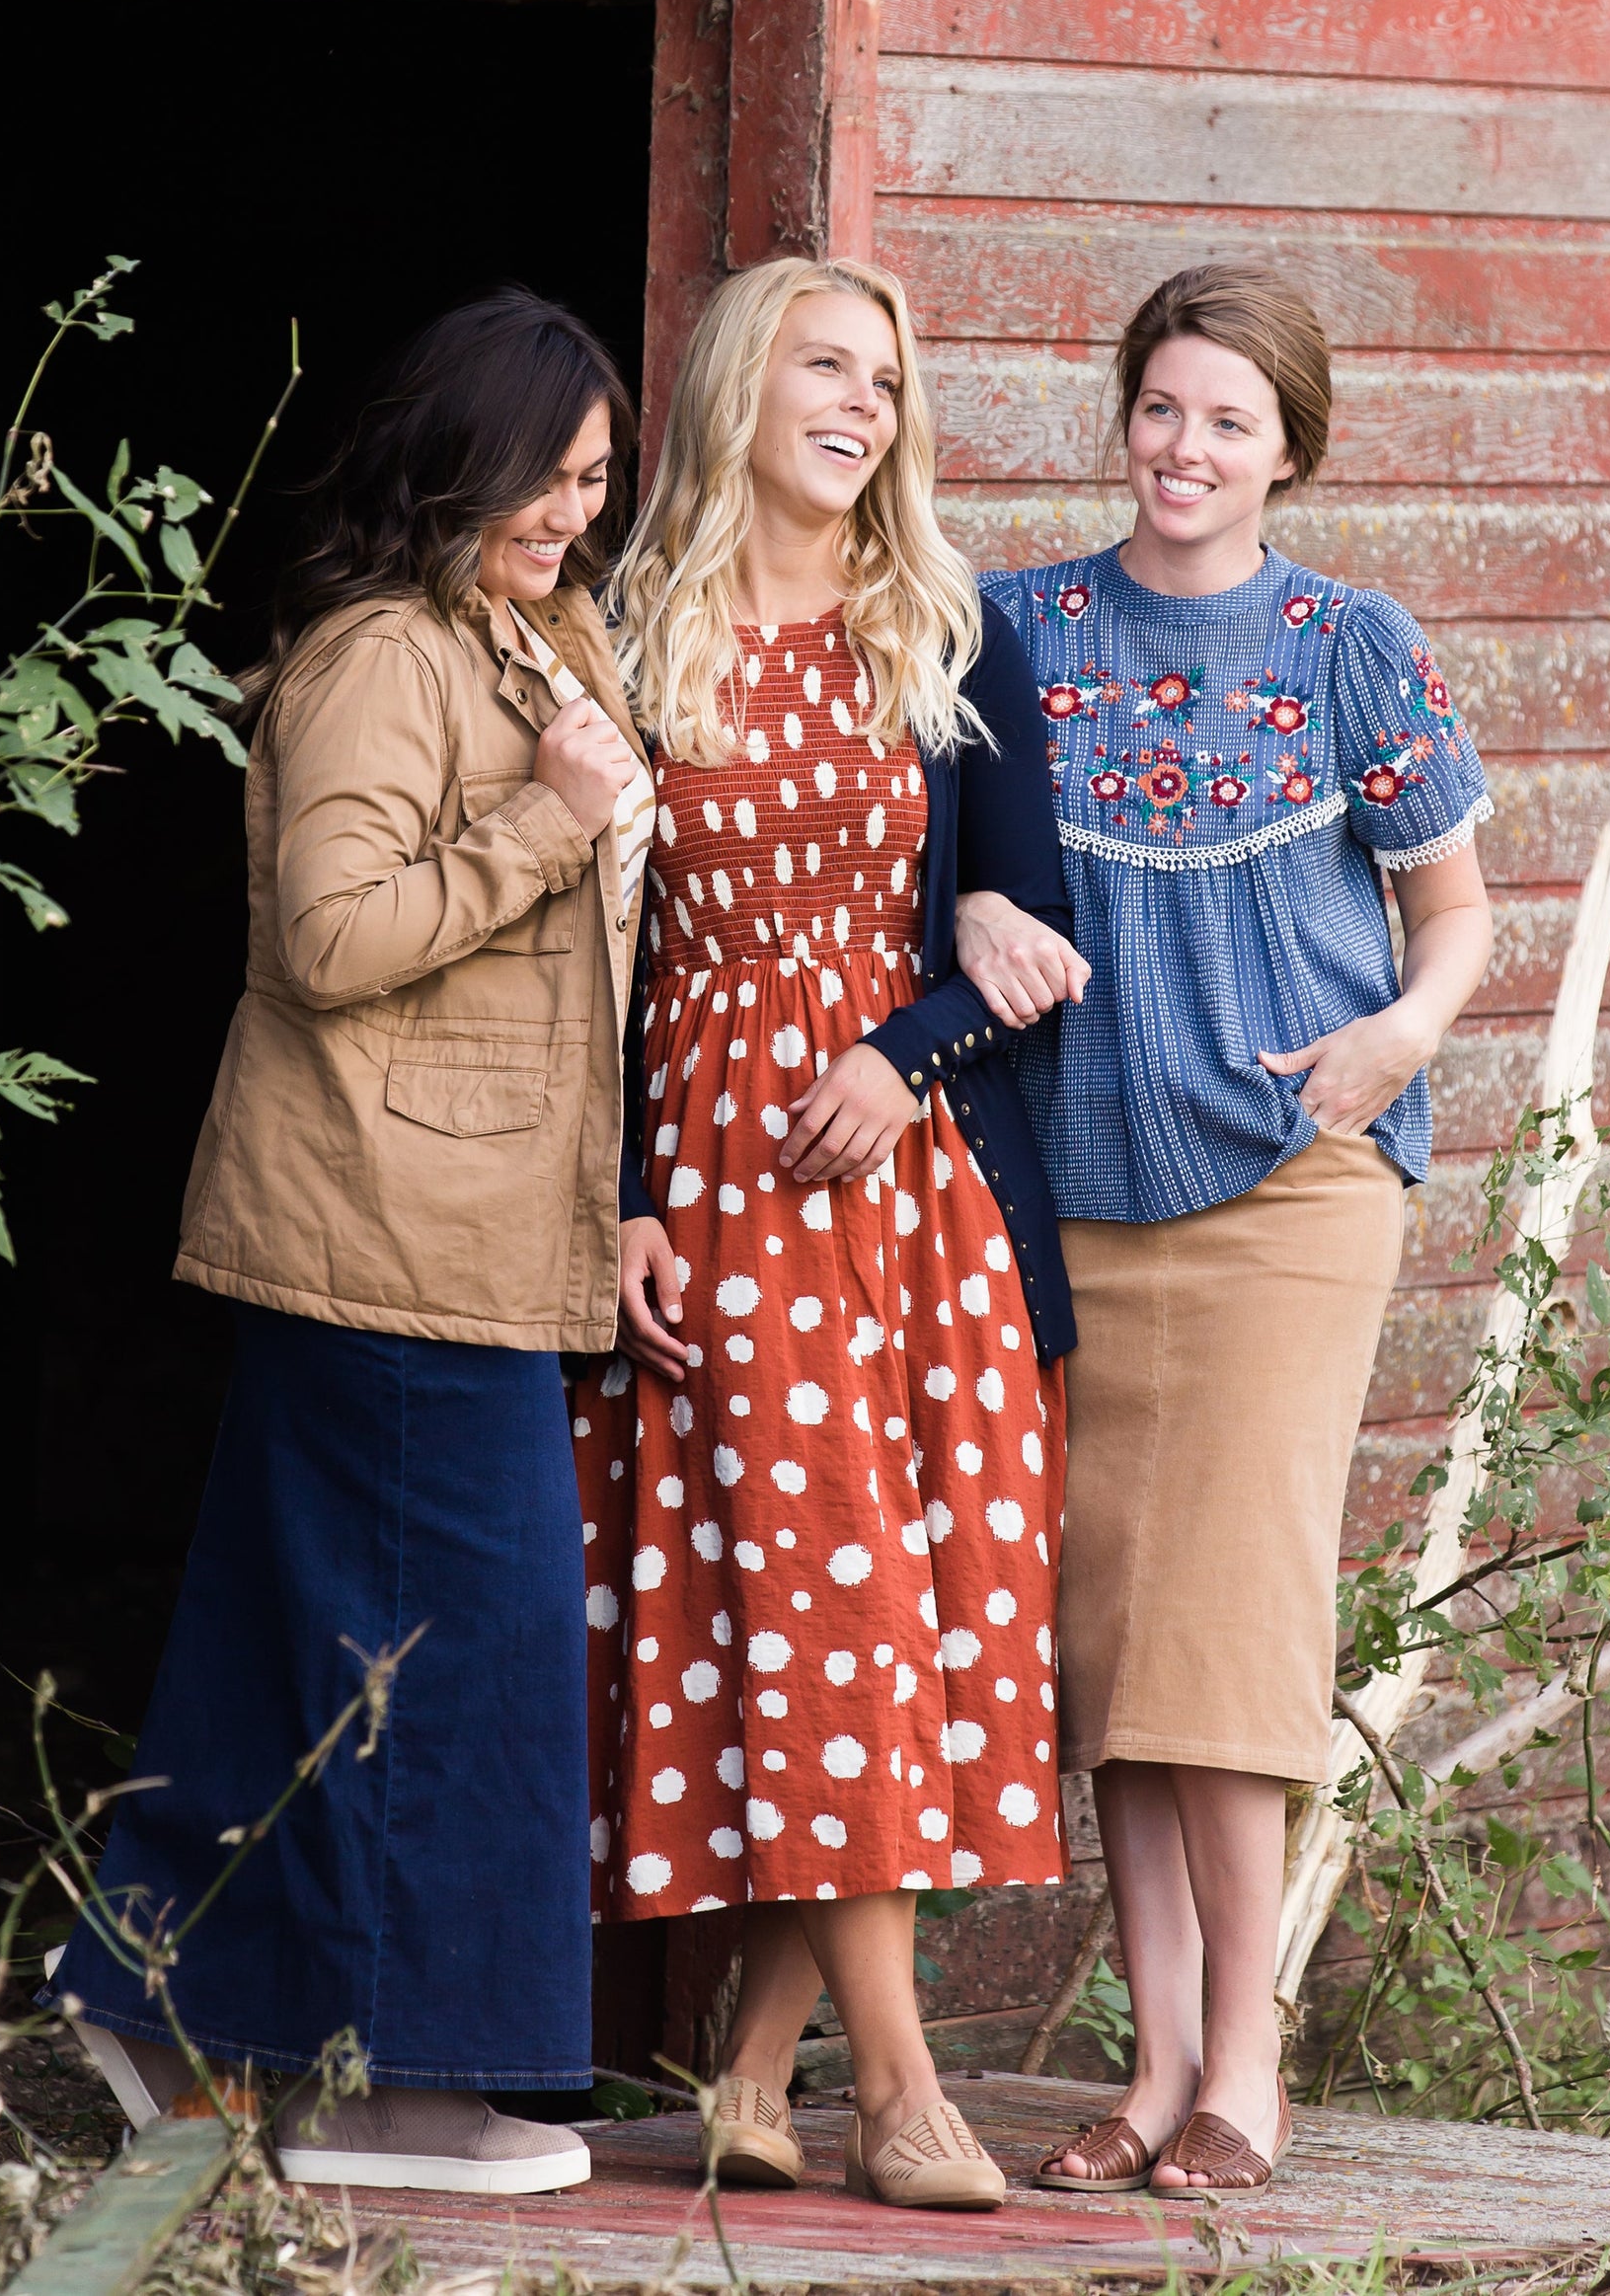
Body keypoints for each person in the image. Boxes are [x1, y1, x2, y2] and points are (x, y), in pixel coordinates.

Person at [54, 289, 652, 2194]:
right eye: (551, 474)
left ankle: (152, 2000)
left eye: (597, 481)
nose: (575, 511)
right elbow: (327, 942)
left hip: (471, 1226)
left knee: (300, 1641)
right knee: (456, 1660)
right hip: (397, 1229)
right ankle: (382, 2092)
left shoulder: (529, 639)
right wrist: (548, 831)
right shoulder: (381, 653)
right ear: (456, 451)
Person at [961, 263, 1494, 2197]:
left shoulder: (1352, 643)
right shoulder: (1011, 632)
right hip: (1076, 1193)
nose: (1186, 449)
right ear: (1126, 417)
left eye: (1228, 422)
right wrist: (960, 922)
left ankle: (1244, 2067)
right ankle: (1153, 2061)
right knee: (1108, 1638)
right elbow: (936, 864)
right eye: (1163, 409)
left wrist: (1399, 1033)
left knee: (1230, 1616)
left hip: (1290, 1184)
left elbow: (1456, 914)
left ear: (1288, 449)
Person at [574, 255, 1085, 2213]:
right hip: (713, 1194)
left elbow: (1031, 935)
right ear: (737, 392)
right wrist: (612, 1200)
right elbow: (583, 983)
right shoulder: (626, 632)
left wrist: (901, 1046)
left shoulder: (946, 636)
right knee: (826, 1619)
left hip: (899, 1190)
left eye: (885, 377)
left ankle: (757, 2079)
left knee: (887, 1621)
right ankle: (902, 2088)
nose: (862, 406)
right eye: (823, 368)